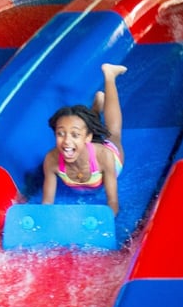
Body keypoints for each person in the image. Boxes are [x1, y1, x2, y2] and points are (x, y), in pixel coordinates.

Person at [42, 63, 127, 214]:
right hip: (84, 142)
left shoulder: (104, 156)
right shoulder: (51, 160)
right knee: (82, 127)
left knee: (113, 132)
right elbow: (47, 204)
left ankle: (110, 76)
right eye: (60, 133)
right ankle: (95, 107)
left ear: (89, 137)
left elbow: (112, 202)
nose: (66, 141)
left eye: (73, 135)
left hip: (105, 155)